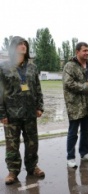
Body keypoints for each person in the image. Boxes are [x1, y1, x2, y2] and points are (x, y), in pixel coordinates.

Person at [0, 36, 45, 185]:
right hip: (12, 114)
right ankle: (13, 171)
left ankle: (33, 167)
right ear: (13, 47)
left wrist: (40, 106)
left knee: (32, 143)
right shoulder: (4, 67)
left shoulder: (32, 67)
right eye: (19, 44)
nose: (23, 46)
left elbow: (38, 88)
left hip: (30, 112)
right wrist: (2, 113)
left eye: (25, 44)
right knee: (12, 144)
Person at [63, 42, 88, 168]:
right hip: (75, 104)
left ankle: (84, 153)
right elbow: (68, 83)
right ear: (77, 51)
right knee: (73, 132)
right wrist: (87, 86)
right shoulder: (70, 66)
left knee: (86, 131)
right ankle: (70, 157)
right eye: (84, 50)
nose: (87, 53)